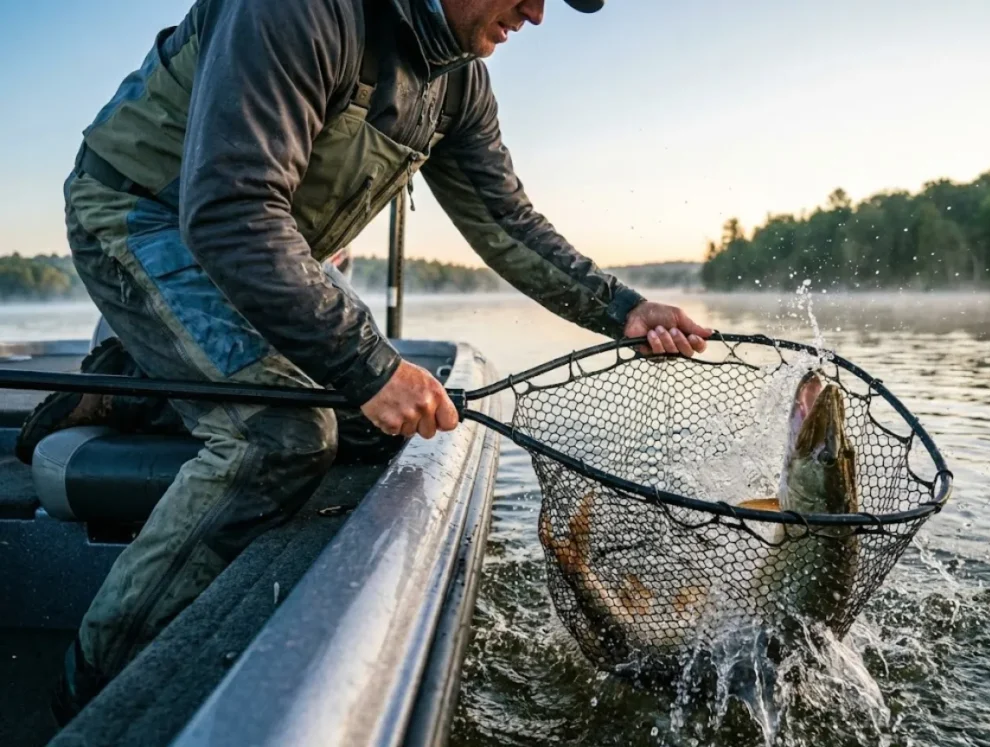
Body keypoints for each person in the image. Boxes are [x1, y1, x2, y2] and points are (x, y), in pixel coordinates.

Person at [33, 0, 713, 723]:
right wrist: (366, 365)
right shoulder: (297, 11)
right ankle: (94, 682)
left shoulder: (458, 78)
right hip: (145, 212)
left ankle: (138, 380)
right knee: (280, 437)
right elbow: (230, 210)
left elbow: (504, 217)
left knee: (373, 431)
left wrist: (623, 308)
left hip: (263, 243)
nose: (538, 13)